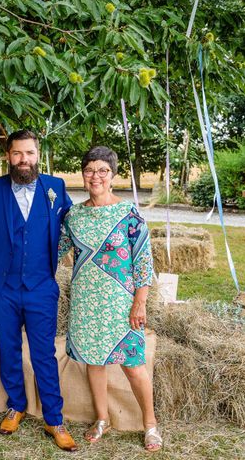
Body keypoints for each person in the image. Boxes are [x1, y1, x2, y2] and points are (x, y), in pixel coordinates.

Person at [0, 130, 77, 452]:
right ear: (8, 155)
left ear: (37, 154)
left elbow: (71, 227)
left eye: (29, 153)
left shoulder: (56, 187)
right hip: (2, 288)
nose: (23, 160)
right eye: (17, 154)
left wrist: (49, 258)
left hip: (41, 287)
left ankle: (54, 419)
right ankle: (16, 405)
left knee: (44, 354)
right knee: (8, 349)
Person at [58, 146, 162, 452]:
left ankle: (150, 423)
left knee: (132, 363)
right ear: (83, 174)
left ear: (113, 176)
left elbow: (143, 262)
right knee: (94, 360)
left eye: (102, 170)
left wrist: (139, 302)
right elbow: (55, 249)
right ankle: (102, 418)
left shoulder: (129, 214)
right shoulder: (73, 215)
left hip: (121, 302)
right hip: (86, 300)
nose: (95, 176)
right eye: (89, 170)